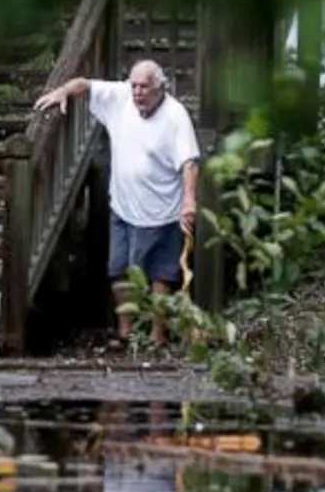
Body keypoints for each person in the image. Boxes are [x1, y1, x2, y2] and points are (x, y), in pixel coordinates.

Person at [34, 59, 201, 350]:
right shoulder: (121, 97)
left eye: (144, 87)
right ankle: (124, 333)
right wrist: (62, 91)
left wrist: (189, 200)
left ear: (160, 87)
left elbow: (189, 162)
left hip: (162, 209)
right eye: (134, 85)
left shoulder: (176, 116)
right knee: (119, 269)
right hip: (124, 206)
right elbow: (85, 85)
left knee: (161, 275)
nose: (137, 92)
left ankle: (156, 335)